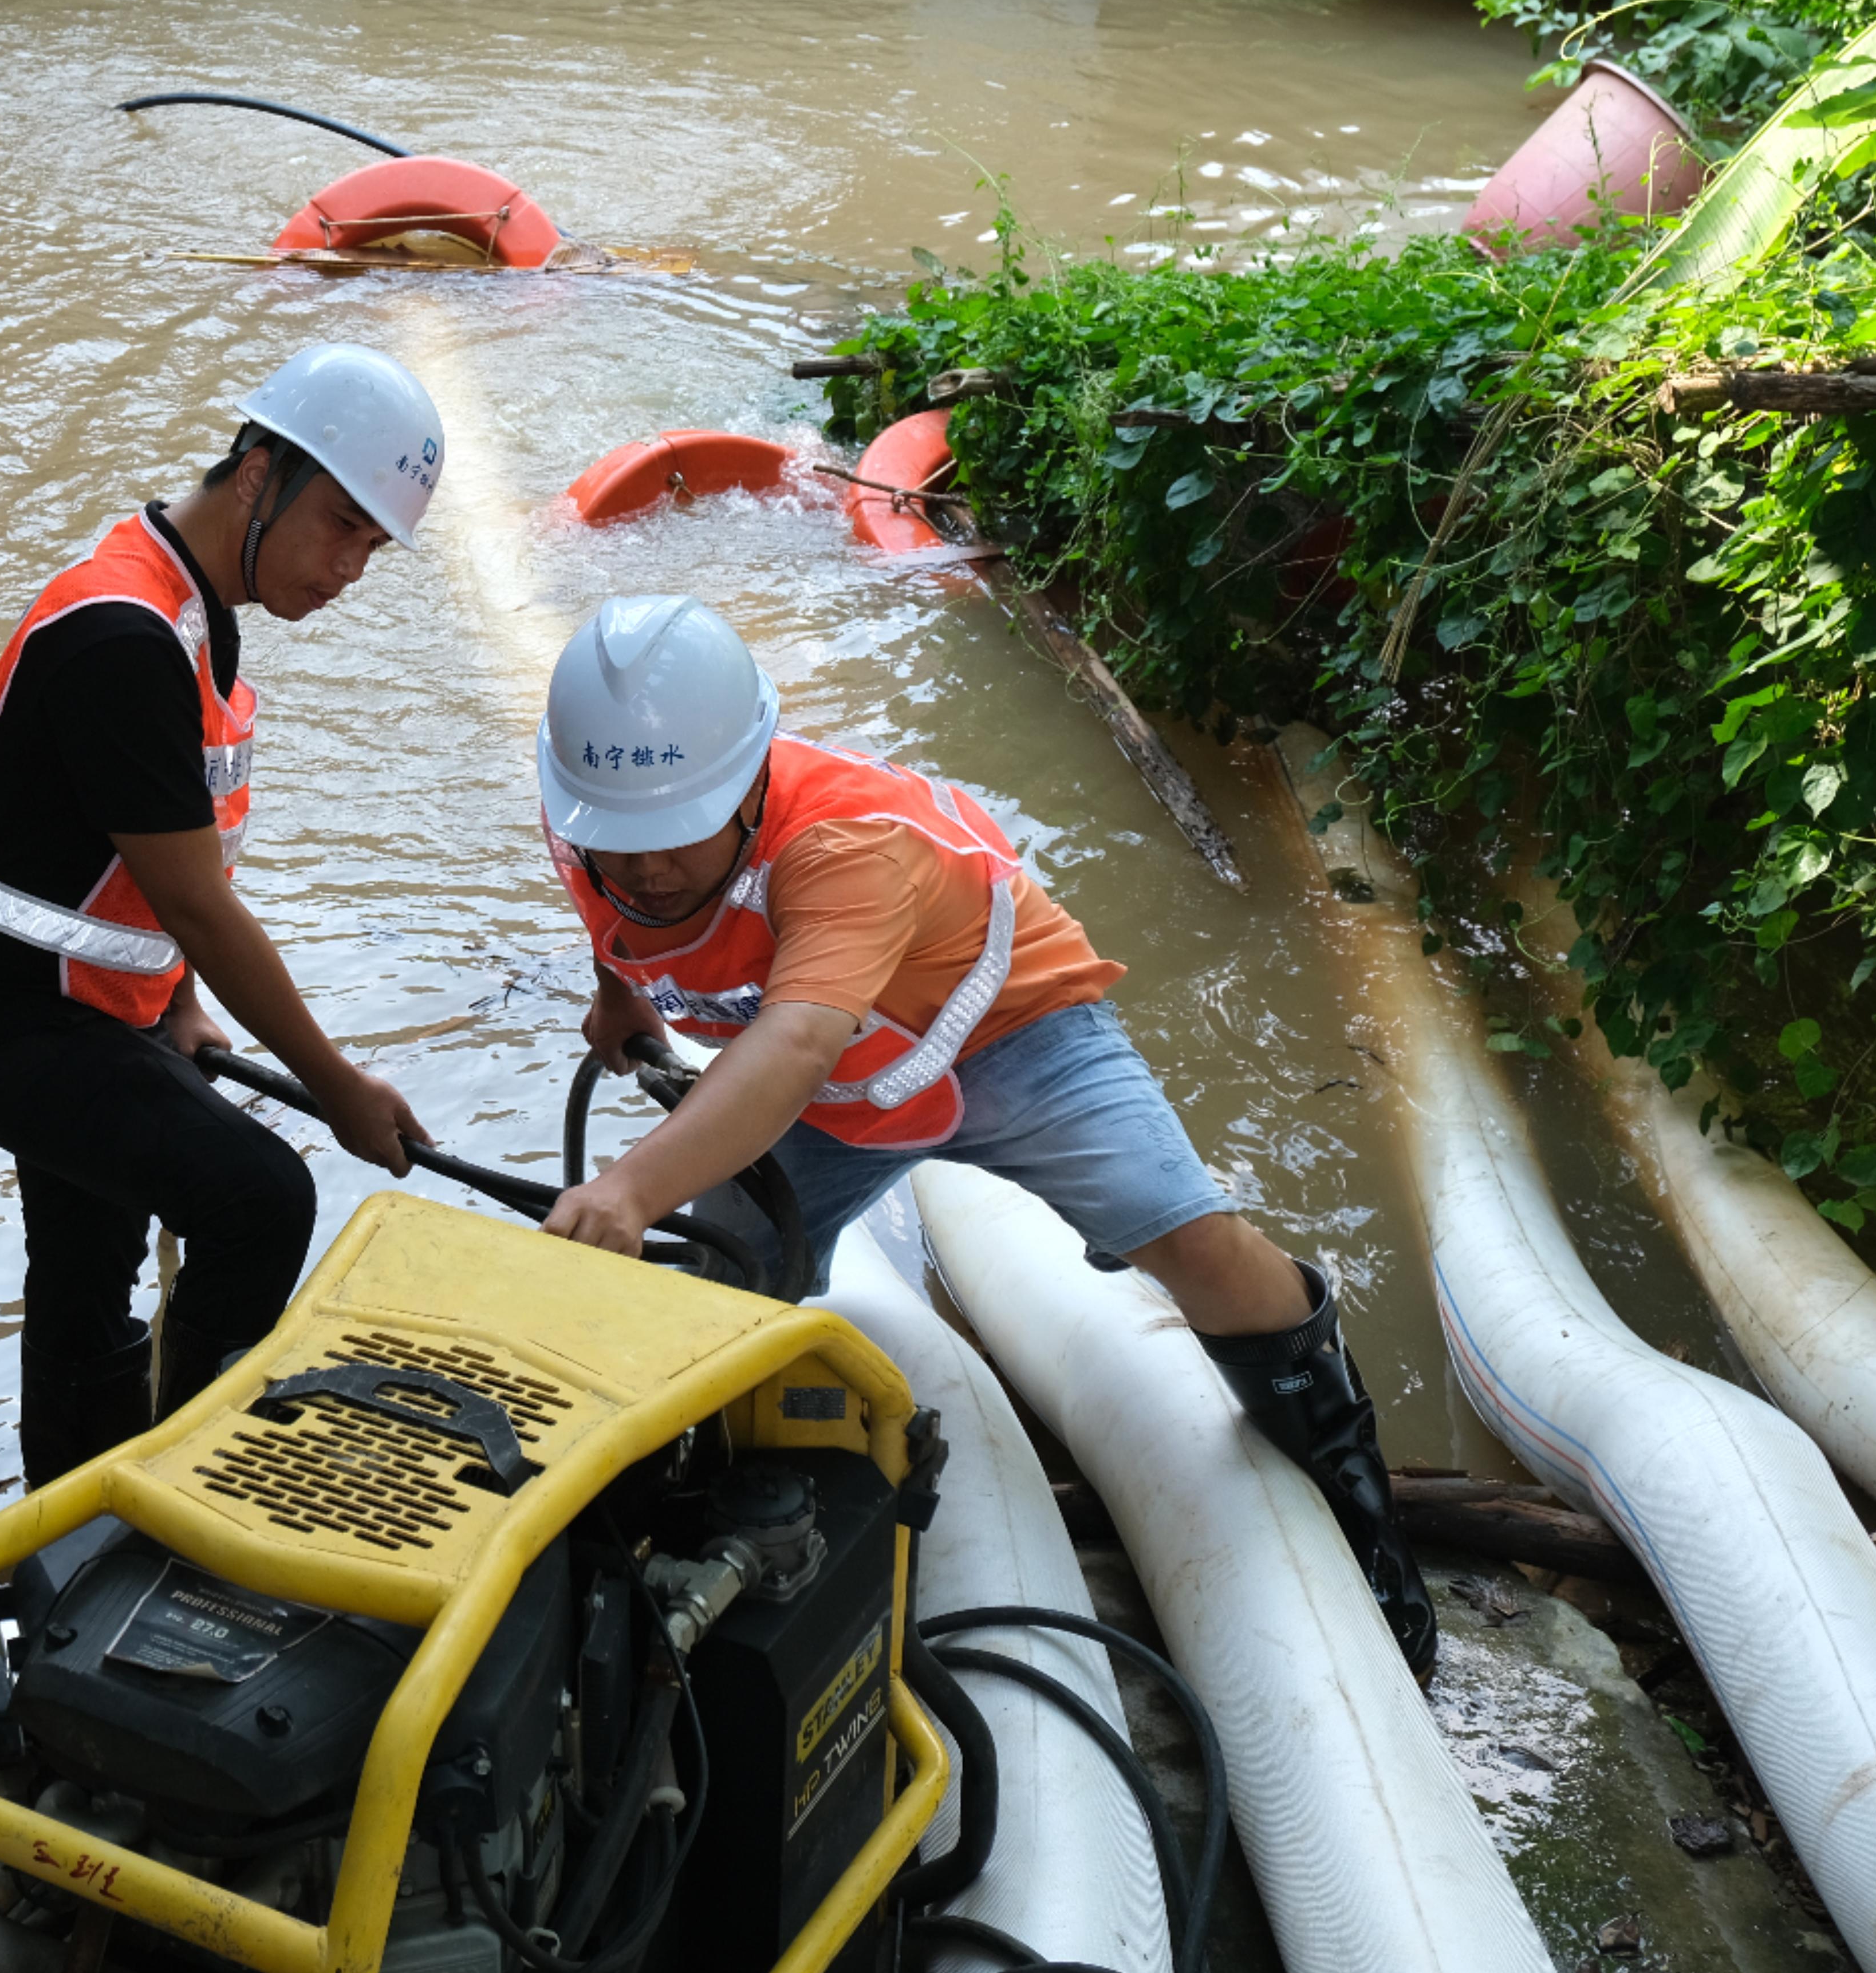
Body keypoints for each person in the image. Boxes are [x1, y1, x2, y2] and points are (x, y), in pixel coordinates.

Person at [528, 595, 1437, 1680]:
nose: (642, 867)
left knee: (1187, 1235)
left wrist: (630, 1189)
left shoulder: (848, 841)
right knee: (722, 1284)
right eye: (618, 839)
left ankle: (1354, 1499)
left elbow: (795, 1044)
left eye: (675, 832)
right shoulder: (593, 822)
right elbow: (623, 924)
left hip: (1010, 1040)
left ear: (749, 781)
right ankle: (696, 1544)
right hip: (834, 1088)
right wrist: (621, 997)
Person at [0, 344, 444, 1490]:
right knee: (261, 1199)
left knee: (88, 1261)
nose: (350, 568)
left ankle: (74, 1519)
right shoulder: (124, 638)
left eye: (375, 547)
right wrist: (339, 1085)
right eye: (342, 526)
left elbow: (139, 856)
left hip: (79, 1003)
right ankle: (184, 1497)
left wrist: (178, 1005)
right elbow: (195, 897)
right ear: (258, 473)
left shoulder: (190, 610)